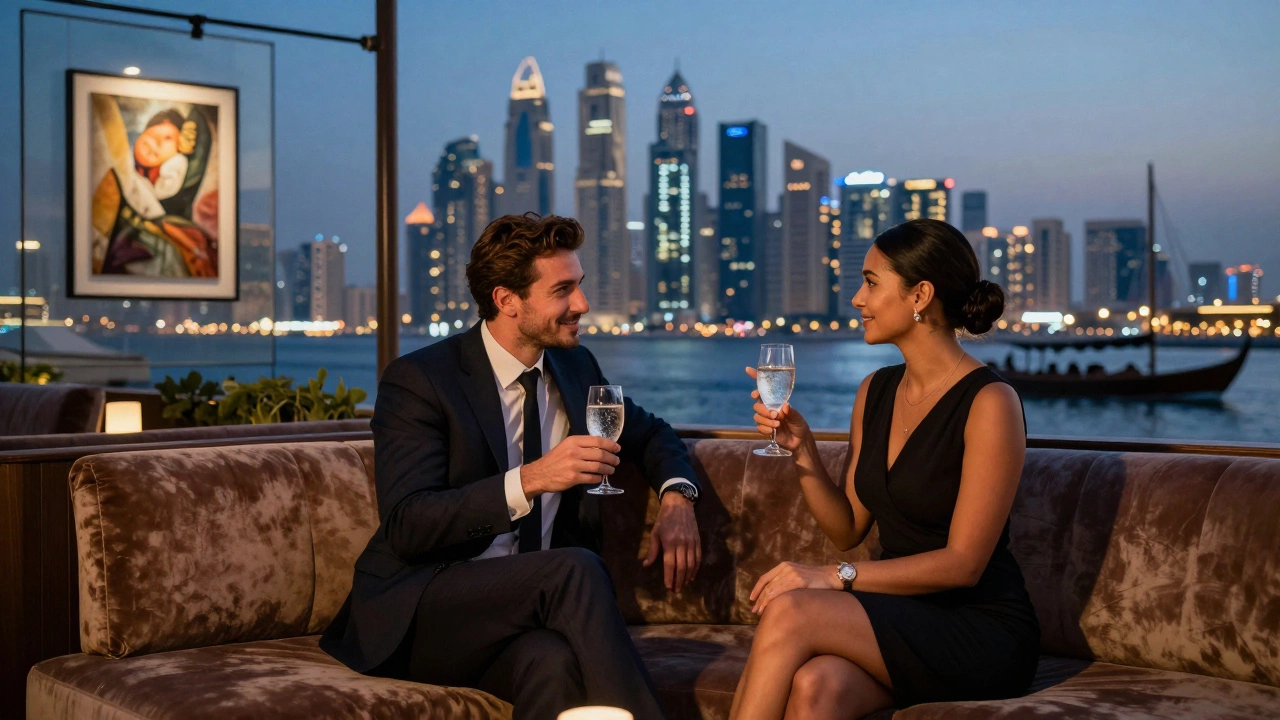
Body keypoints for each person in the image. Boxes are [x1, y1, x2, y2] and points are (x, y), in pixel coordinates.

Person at [321, 213, 703, 720]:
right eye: (562, 290)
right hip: (424, 607)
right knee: (575, 567)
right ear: (507, 301)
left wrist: (678, 497)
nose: (583, 306)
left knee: (551, 663)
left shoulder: (575, 366)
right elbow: (408, 525)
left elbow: (650, 432)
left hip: (523, 616)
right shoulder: (420, 380)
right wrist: (534, 478)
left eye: (579, 286)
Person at [730, 218, 1040, 719]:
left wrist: (832, 576)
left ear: (919, 295)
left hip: (979, 629)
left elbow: (964, 565)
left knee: (790, 610)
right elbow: (848, 526)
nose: (857, 298)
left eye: (871, 283)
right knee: (816, 687)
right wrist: (804, 450)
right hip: (902, 615)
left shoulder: (990, 402)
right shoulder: (874, 391)